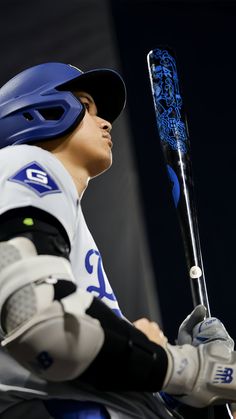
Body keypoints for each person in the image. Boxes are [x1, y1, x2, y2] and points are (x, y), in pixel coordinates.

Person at [0, 62, 235, 419]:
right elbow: (43, 320)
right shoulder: (25, 162)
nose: (106, 122)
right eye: (85, 105)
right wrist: (188, 368)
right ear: (40, 112)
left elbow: (85, 361)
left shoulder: (64, 216)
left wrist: (173, 392)